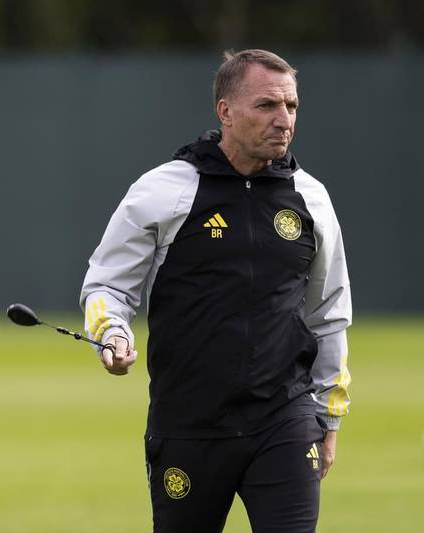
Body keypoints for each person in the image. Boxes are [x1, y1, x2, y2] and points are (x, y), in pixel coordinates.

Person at [80, 49, 352, 532]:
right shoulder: (164, 190)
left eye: (291, 106)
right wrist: (111, 333)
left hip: (284, 421)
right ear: (225, 111)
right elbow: (107, 284)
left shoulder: (311, 198)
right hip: (189, 425)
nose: (284, 120)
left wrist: (328, 418)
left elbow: (328, 313)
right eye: (267, 105)